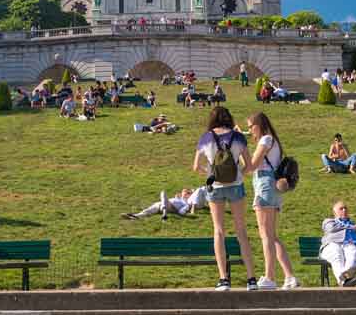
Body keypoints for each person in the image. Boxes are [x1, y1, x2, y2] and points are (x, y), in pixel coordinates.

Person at [192, 106, 256, 291]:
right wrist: (239, 174)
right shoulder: (238, 137)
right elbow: (249, 165)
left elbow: (196, 166)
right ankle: (251, 279)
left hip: (215, 188)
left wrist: (210, 174)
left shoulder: (206, 137)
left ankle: (223, 279)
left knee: (219, 231)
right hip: (235, 186)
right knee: (241, 231)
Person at [245, 112, 298, 290]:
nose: (250, 130)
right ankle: (289, 276)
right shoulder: (273, 140)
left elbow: (252, 165)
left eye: (251, 126)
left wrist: (240, 152)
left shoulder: (265, 140)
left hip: (264, 184)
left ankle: (270, 277)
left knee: (265, 235)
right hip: (271, 185)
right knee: (272, 236)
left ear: (259, 125)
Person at [320, 201, 356, 287]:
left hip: (348, 244)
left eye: (345, 208)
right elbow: (331, 229)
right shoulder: (329, 221)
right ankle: (344, 281)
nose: (344, 210)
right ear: (334, 212)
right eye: (341, 208)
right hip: (331, 245)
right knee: (336, 252)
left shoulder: (353, 223)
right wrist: (352, 227)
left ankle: (346, 279)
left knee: (353, 252)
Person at [121, 187, 207, 220]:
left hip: (171, 207)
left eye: (186, 192)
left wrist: (182, 209)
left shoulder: (186, 203)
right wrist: (176, 197)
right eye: (182, 191)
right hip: (162, 204)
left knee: (163, 193)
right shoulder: (177, 198)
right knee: (148, 211)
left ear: (189, 195)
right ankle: (135, 216)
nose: (183, 192)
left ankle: (165, 214)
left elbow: (181, 212)